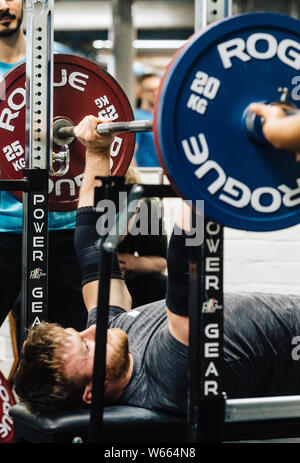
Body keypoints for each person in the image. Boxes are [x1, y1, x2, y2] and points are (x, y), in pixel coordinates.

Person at [13, 115, 300, 417]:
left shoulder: (109, 342)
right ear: (91, 393)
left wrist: (97, 152)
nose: (91, 331)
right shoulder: (167, 376)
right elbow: (183, 268)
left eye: (78, 333)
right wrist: (201, 161)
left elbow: (90, 247)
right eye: (85, 347)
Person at [0, 0, 87, 345]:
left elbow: (95, 132)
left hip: (61, 228)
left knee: (69, 347)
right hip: (2, 227)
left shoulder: (62, 63)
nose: (3, 6)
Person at [118, 167, 167, 308]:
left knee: (164, 286)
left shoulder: (146, 205)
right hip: (83, 278)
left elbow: (161, 262)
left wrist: (130, 262)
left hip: (126, 276)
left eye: (132, 212)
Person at [133, 73, 161, 167]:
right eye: (150, 90)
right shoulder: (135, 118)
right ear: (140, 93)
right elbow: (130, 154)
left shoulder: (164, 117)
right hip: (147, 177)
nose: (155, 93)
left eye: (158, 89)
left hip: (167, 176)